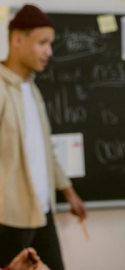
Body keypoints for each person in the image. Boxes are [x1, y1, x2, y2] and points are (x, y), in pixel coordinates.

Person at [0, 5, 87, 270]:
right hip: (10, 218)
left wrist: (68, 191)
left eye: (50, 43)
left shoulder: (32, 88)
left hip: (42, 210)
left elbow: (44, 149)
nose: (49, 51)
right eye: (43, 42)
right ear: (17, 40)